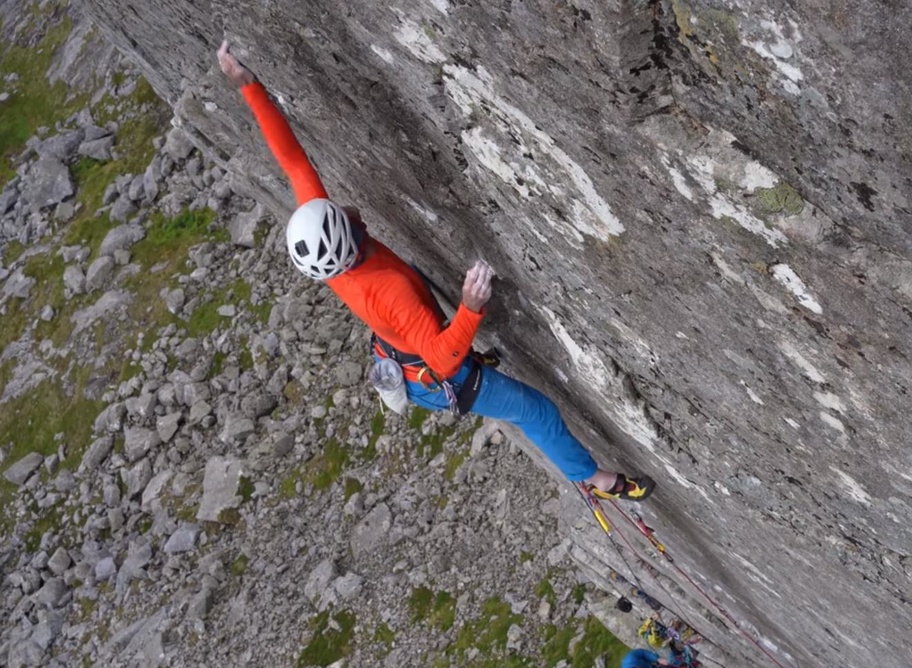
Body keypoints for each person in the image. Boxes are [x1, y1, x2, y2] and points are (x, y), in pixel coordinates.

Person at [216, 41, 654, 500]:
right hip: (436, 374)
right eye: (346, 216)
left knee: (453, 345)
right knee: (535, 411)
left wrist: (246, 86)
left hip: (404, 351)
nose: (347, 207)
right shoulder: (388, 291)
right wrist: (470, 308)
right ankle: (596, 480)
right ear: (348, 240)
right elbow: (442, 359)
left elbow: (293, 162)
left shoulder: (330, 250)